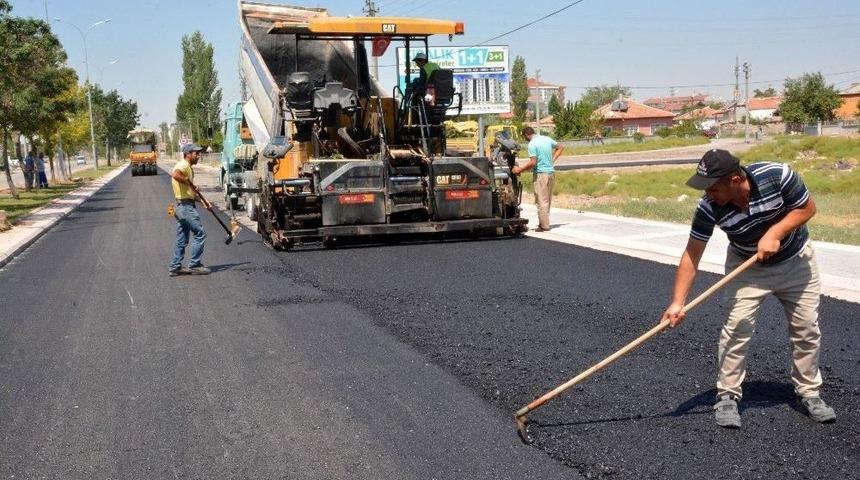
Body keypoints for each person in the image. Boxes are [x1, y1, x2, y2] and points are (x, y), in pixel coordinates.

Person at [661, 149, 836, 429]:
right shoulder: (709, 207)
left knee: (806, 328)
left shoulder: (778, 175)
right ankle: (728, 395)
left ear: (734, 179)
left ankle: (809, 392)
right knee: (736, 328)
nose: (708, 194)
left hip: (796, 262)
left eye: (713, 187)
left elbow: (808, 208)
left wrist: (775, 232)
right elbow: (692, 254)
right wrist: (677, 302)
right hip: (747, 267)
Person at [168, 143, 212, 276]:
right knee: (200, 233)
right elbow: (175, 174)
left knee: (182, 237)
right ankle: (195, 264)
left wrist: (203, 201)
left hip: (182, 205)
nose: (198, 156)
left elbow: (188, 193)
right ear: (188, 154)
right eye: (196, 153)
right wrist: (188, 181)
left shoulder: (187, 167)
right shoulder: (183, 165)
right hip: (185, 207)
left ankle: (175, 266)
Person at [512, 126, 564, 232]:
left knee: (541, 200)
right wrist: (552, 161)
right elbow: (560, 147)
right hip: (551, 173)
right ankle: (544, 222)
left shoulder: (532, 144)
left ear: (526, 135)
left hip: (541, 174)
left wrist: (519, 170)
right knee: (547, 200)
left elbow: (533, 162)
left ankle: (544, 226)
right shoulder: (547, 139)